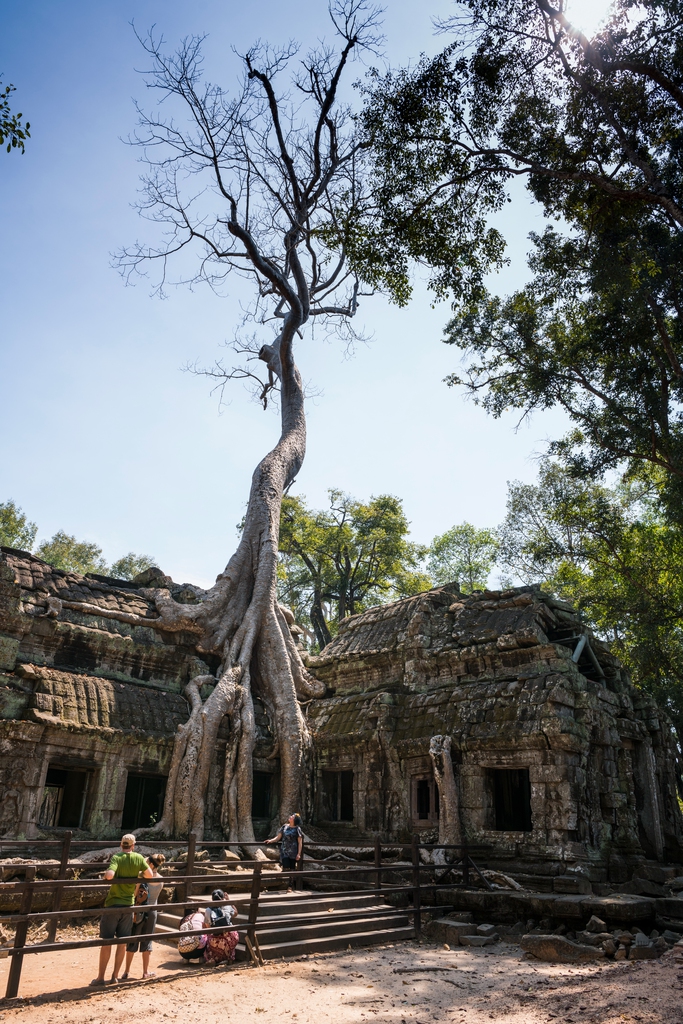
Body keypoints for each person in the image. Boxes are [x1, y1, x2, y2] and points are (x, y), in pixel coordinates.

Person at [90, 834, 154, 986]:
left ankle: (100, 977)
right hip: (128, 905)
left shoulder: (117, 857)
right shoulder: (138, 858)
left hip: (113, 904)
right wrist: (137, 874)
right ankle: (115, 976)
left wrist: (107, 874)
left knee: (107, 942)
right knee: (122, 942)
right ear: (133, 846)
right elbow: (149, 875)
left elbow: (110, 875)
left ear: (121, 845)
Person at [121, 853, 166, 980]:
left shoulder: (141, 878)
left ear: (151, 864)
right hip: (152, 912)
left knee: (133, 939)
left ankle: (126, 971)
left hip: (139, 911)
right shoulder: (161, 880)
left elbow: (135, 894)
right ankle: (145, 972)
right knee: (147, 941)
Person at [265, 813, 303, 891]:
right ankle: (282, 874)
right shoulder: (284, 827)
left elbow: (300, 842)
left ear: (295, 820)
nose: (290, 817)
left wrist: (299, 854)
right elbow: (278, 837)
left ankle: (290, 886)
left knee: (292, 868)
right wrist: (271, 840)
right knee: (285, 865)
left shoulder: (297, 829)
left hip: (293, 851)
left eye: (292, 817)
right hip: (284, 850)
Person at [202, 889, 239, 965]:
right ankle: (229, 957)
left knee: (206, 936)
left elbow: (208, 927)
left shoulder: (208, 910)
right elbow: (235, 914)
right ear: (223, 898)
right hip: (229, 938)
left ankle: (213, 958)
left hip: (214, 941)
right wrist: (229, 901)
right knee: (234, 933)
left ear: (212, 899)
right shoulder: (228, 906)